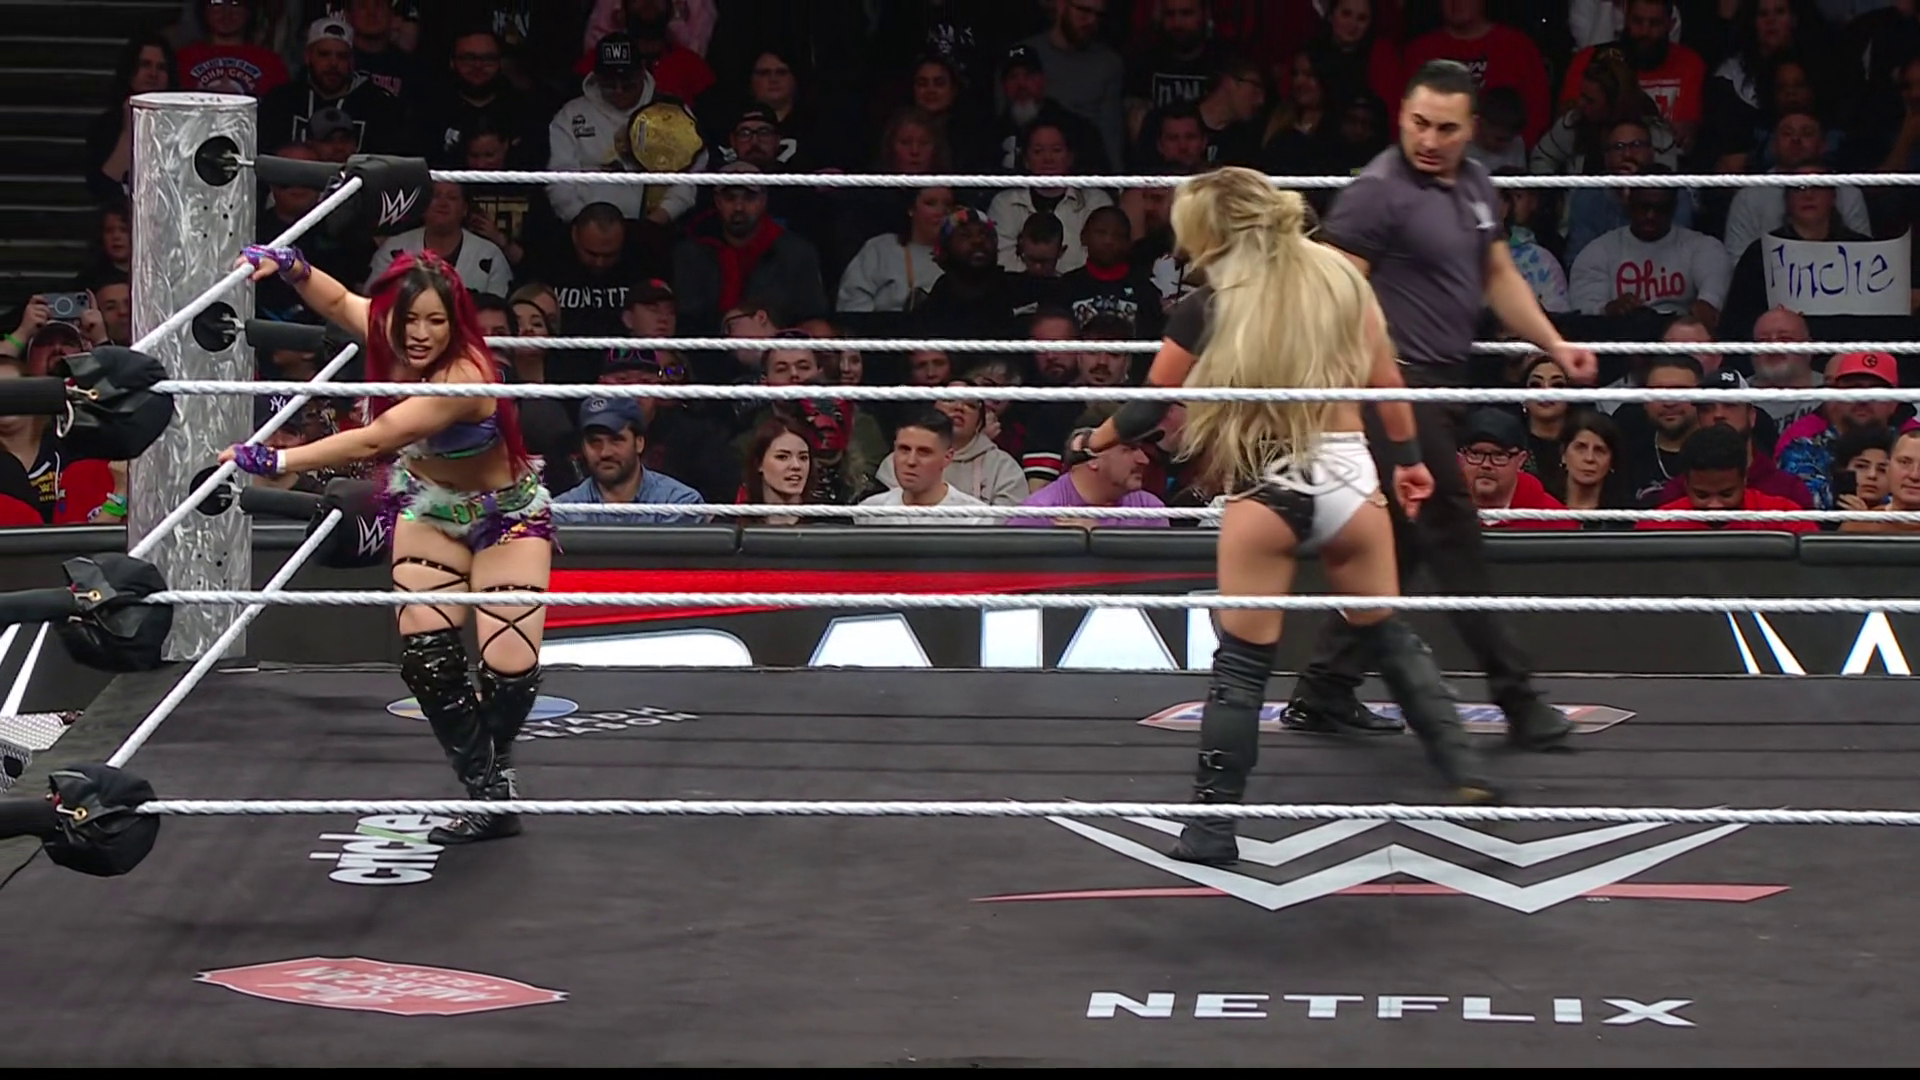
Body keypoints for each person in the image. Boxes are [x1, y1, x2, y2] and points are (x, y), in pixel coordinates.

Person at [1072, 166, 1498, 868]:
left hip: (1267, 479)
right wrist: (1409, 462)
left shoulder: (1212, 302)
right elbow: (1388, 385)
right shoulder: (1342, 280)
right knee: (1385, 631)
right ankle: (1463, 766)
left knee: (1242, 666)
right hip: (1349, 474)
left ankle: (1212, 829)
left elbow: (1151, 407)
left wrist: (1095, 440)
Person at [1283, 61, 1598, 750]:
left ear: (1471, 129)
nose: (1429, 140)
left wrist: (1553, 342)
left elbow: (1498, 274)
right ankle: (1519, 698)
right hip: (1391, 383)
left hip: (1439, 384)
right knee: (1454, 529)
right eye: (1419, 123)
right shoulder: (1376, 192)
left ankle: (1325, 688)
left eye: (1446, 129)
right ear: (1401, 114)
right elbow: (1335, 297)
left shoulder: (1477, 183)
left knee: (1400, 544)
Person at [221, 245, 549, 847]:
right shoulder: (394, 335)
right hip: (428, 509)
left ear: (456, 323)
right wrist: (293, 267)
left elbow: (379, 437)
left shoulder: (465, 375)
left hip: (505, 516)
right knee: (427, 661)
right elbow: (340, 302)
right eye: (410, 319)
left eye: (436, 321)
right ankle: (489, 794)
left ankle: (495, 767)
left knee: (509, 669)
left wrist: (279, 460)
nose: (420, 334)